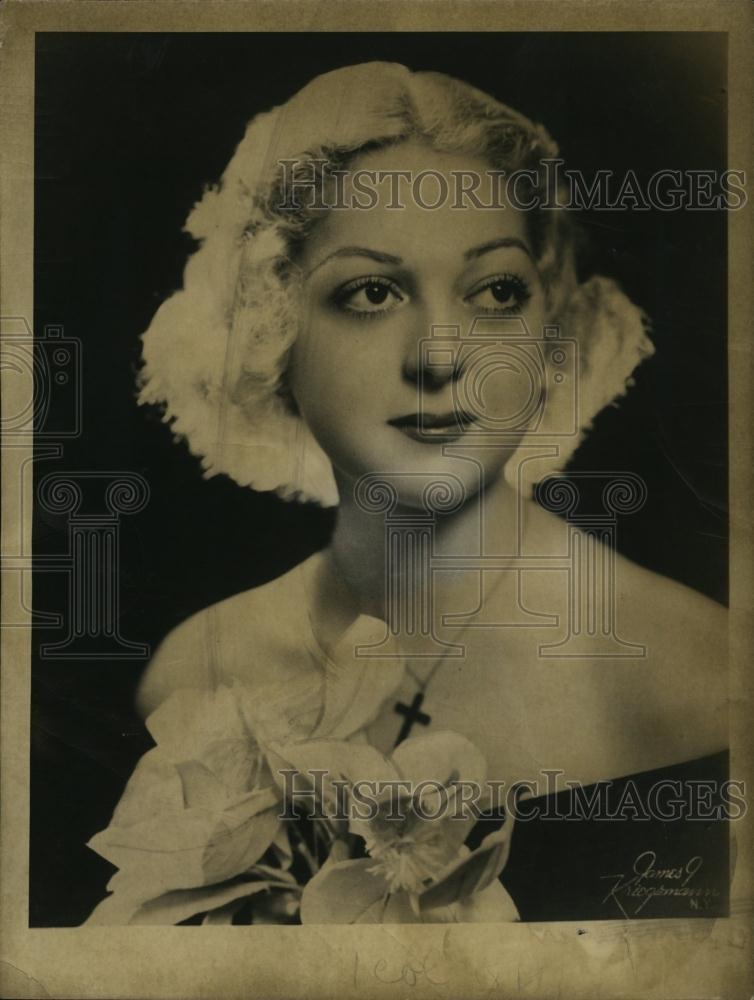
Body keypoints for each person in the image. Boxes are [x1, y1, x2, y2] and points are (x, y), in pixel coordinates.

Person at [129, 62, 728, 920]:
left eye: (495, 291)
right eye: (372, 291)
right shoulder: (198, 676)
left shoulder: (692, 678)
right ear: (270, 326)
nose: (442, 356)